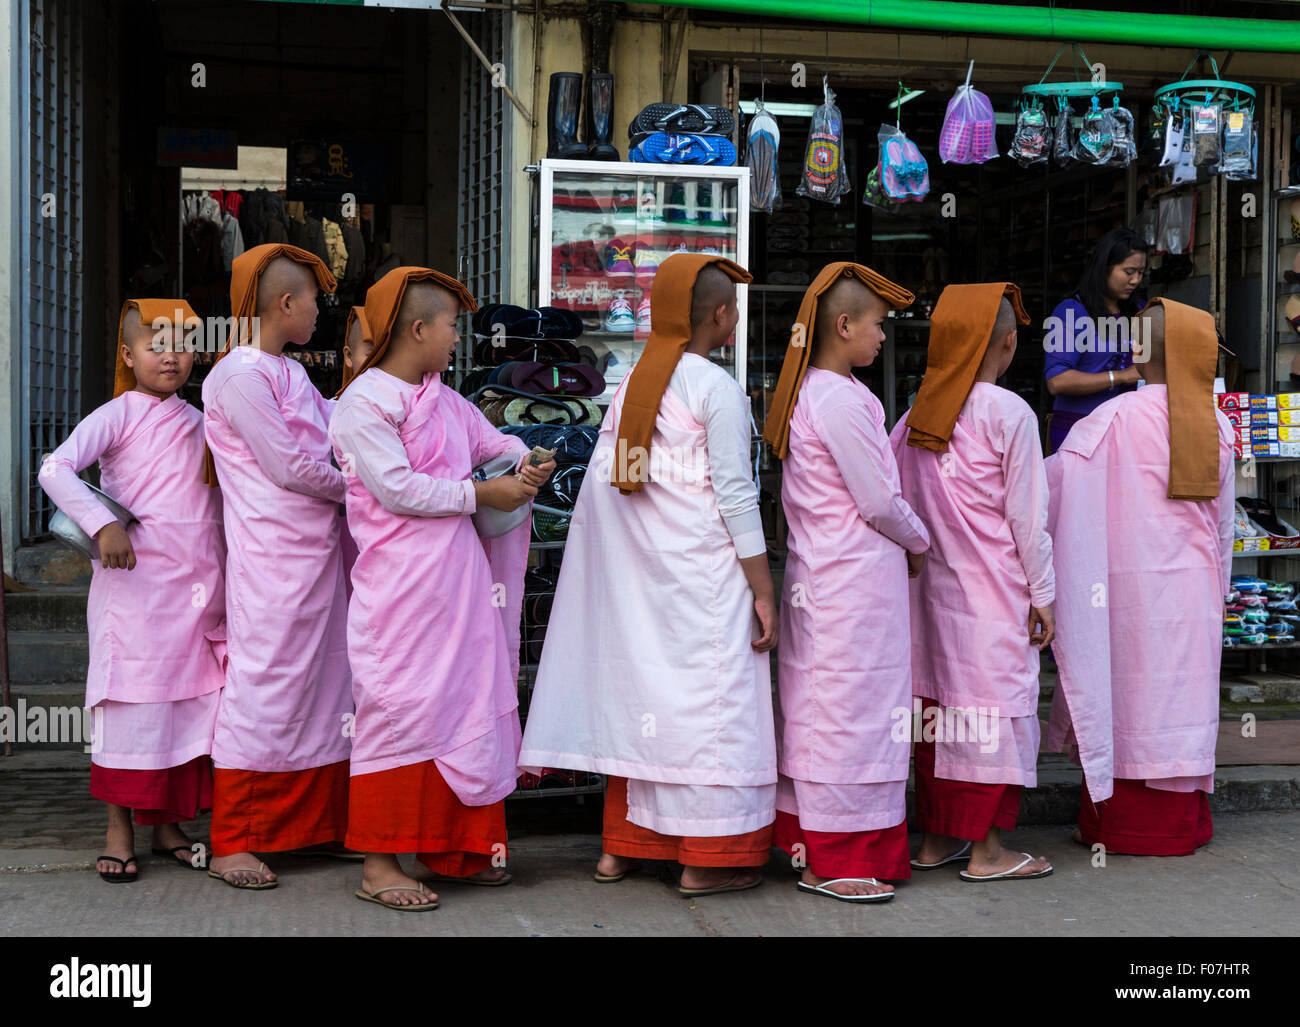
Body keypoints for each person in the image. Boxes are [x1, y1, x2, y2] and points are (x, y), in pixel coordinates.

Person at [518, 253, 779, 897]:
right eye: (733, 308)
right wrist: (764, 584)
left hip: (645, 586)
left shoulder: (637, 383)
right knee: (713, 717)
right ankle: (705, 860)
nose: (736, 316)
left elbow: (609, 496)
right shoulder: (714, 387)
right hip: (706, 582)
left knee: (649, 708)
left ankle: (622, 850)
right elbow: (736, 496)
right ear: (720, 316)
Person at [329, 267, 551, 910]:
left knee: (466, 707)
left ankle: (458, 849)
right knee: (398, 714)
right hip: (399, 590)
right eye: (453, 325)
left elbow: (496, 442)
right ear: (418, 328)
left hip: (459, 585)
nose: (460, 337)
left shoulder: (445, 399)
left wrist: (524, 459)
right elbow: (397, 488)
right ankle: (378, 863)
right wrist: (481, 492)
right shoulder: (363, 404)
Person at [39, 300, 226, 883]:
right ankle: (119, 828)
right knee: (132, 709)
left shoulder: (202, 423)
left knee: (190, 708)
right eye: (155, 344)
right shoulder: (117, 414)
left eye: (182, 344)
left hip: (195, 591)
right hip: (134, 592)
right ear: (127, 355)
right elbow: (55, 468)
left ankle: (170, 824)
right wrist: (104, 523)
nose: (170, 356)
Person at [761, 263, 928, 903]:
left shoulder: (816, 393)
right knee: (848, 714)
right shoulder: (841, 399)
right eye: (878, 325)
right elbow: (880, 501)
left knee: (827, 708)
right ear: (843, 324)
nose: (884, 337)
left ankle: (818, 849)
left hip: (831, 579)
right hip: (852, 585)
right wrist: (921, 543)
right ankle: (832, 858)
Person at [1046, 298, 1233, 855]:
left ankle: (1116, 826)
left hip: (1124, 593)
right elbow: (1222, 528)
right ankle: (1182, 825)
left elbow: (1057, 492)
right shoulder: (1216, 422)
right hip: (1194, 590)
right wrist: (1218, 593)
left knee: (1127, 697)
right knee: (1182, 702)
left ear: (1136, 352)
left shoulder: (1111, 419)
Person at [201, 243, 353, 889]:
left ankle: (318, 826)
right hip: (272, 560)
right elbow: (290, 465)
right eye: (315, 300)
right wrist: (368, 485)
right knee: (263, 686)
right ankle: (234, 837)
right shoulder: (238, 375)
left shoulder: (286, 370)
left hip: (319, 553)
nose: (322, 311)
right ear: (286, 303)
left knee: (327, 688)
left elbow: (331, 433)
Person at [891, 285, 1056, 882]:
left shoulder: (916, 414)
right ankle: (986, 851)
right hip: (991, 598)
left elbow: (892, 498)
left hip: (930, 599)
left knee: (940, 715)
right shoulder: (1009, 414)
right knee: (989, 717)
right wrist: (1045, 595)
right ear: (1009, 344)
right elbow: (1029, 519)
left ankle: (937, 841)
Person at [1044, 228, 1149, 452]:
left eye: (1140, 272)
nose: (1136, 280)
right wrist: (1121, 376)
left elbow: (1146, 367)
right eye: (1129, 271)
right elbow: (1057, 381)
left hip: (1127, 430)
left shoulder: (1141, 312)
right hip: (1078, 430)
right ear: (1105, 267)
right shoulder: (1070, 312)